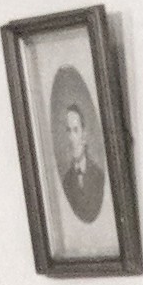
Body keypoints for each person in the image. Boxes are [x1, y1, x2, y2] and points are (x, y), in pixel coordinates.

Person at [42, 63, 116, 253]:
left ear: (84, 134)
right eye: (68, 131)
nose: (71, 137)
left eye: (75, 130)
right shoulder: (67, 179)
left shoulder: (98, 175)